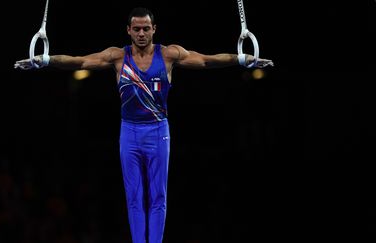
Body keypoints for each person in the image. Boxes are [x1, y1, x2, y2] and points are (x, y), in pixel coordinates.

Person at [14, 7, 274, 243]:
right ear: (128, 30)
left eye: (146, 28)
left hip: (158, 130)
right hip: (129, 132)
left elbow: (206, 60)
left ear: (154, 30)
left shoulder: (169, 55)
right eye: (136, 29)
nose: (141, 33)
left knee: (158, 196)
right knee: (135, 197)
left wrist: (242, 59)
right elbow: (79, 61)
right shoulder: (117, 57)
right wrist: (44, 61)